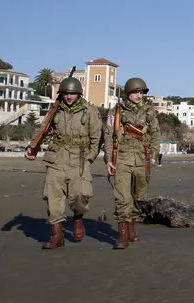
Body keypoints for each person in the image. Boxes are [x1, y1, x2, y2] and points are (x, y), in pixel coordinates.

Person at [25, 77, 102, 249]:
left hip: (79, 159)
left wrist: (89, 158)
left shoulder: (89, 111)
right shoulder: (55, 110)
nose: (68, 97)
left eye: (72, 94)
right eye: (66, 94)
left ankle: (77, 218)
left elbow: (96, 139)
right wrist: (32, 147)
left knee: (80, 197)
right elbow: (43, 130)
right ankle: (57, 235)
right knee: (54, 200)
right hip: (56, 158)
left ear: (79, 94)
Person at [103, 77, 160, 250]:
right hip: (122, 158)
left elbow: (156, 135)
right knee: (122, 197)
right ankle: (122, 235)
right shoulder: (116, 112)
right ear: (128, 93)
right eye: (136, 92)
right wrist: (108, 160)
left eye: (141, 92)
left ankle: (132, 227)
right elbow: (108, 136)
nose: (139, 95)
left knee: (139, 197)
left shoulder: (149, 111)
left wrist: (153, 155)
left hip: (142, 159)